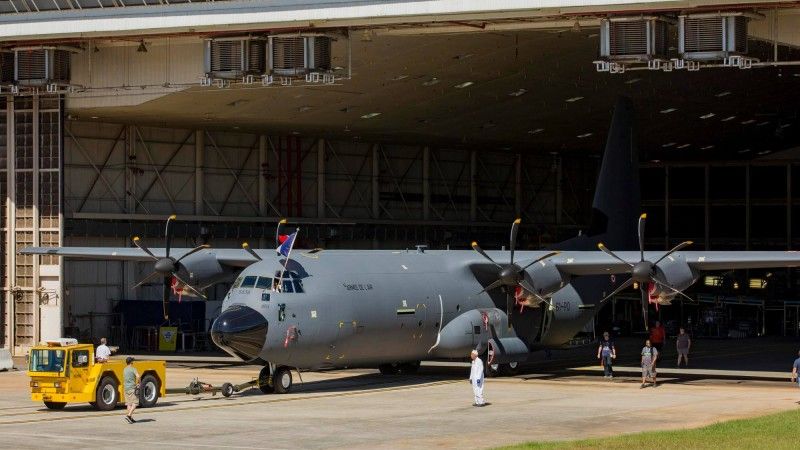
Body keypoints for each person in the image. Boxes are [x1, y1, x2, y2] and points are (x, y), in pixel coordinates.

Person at [123, 356, 141, 423]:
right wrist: (139, 383)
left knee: (129, 404)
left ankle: (130, 418)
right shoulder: (133, 369)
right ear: (131, 362)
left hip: (126, 388)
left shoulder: (124, 369)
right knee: (135, 403)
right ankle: (128, 415)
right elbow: (138, 376)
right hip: (132, 388)